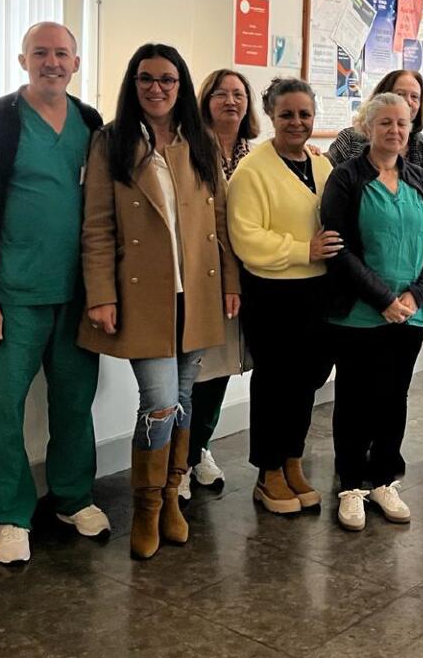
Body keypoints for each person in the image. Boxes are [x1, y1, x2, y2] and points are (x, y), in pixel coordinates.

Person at [0, 21, 110, 565]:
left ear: (76, 62)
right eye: (41, 53)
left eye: (62, 53)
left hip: (77, 295)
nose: (52, 62)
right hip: (12, 296)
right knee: (2, 409)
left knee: (73, 403)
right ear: (23, 60)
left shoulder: (90, 122)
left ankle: (72, 497)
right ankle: (12, 516)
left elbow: (107, 208)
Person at [80, 43, 240, 559]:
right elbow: (98, 226)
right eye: (146, 79)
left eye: (167, 79)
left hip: (197, 290)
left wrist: (230, 283)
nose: (157, 88)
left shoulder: (198, 139)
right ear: (133, 84)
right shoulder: (111, 141)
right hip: (141, 296)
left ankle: (172, 497)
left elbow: (218, 222)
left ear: (180, 85)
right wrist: (100, 293)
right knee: (160, 402)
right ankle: (147, 508)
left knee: (186, 399)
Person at [320, 93, 423, 530]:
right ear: (367, 127)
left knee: (394, 397)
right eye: (385, 123)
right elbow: (338, 248)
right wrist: (383, 300)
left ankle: (383, 480)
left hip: (411, 314)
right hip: (360, 313)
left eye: (402, 123)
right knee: (355, 398)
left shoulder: (422, 180)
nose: (395, 130)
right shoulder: (346, 178)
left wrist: (416, 296)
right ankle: (352, 485)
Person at [227, 77, 339, 514]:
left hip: (317, 290)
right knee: (276, 382)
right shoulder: (252, 171)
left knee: (308, 379)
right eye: (287, 114)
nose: (297, 122)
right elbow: (246, 237)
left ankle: (293, 460)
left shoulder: (322, 166)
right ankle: (268, 471)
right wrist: (302, 250)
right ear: (271, 116)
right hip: (272, 293)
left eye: (304, 114)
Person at [181, 68, 262, 499]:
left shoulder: (255, 154)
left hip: (245, 278)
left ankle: (200, 450)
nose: (231, 101)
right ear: (205, 100)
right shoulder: (190, 149)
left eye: (238, 94)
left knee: (225, 368)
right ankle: (181, 457)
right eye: (220, 93)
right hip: (201, 278)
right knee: (195, 371)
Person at [326, 69, 423, 166]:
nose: (408, 101)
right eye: (400, 94)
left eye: (414, 97)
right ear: (382, 97)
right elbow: (321, 172)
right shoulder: (350, 139)